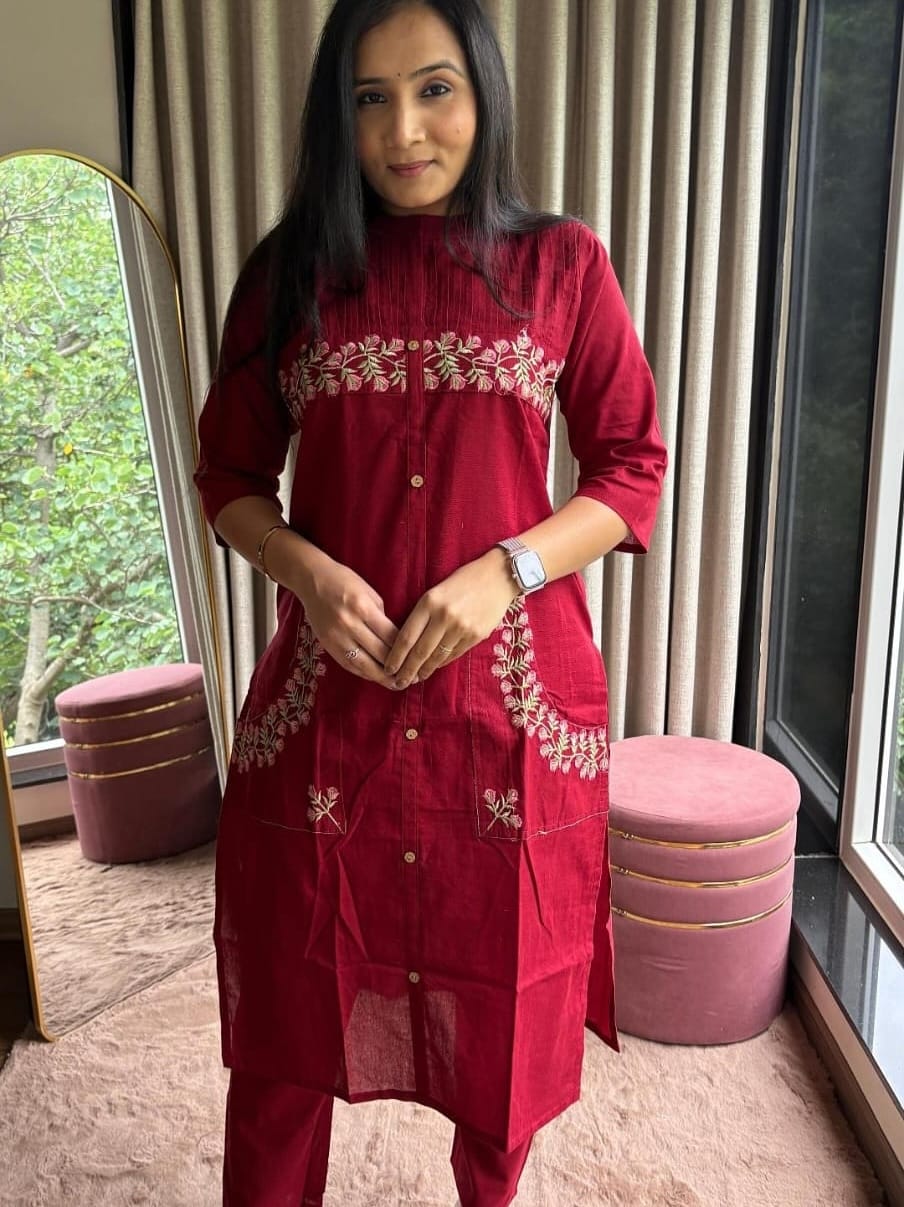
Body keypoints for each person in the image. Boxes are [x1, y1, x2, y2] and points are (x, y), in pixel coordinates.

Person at [194, 0, 668, 1203]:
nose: (404, 130)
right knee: (287, 1023)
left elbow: (631, 467)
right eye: (370, 97)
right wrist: (307, 571)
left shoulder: (562, 265)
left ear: (482, 94)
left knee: (502, 1028)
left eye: (434, 88)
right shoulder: (288, 275)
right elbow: (228, 477)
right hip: (327, 709)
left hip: (505, 719)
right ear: (336, 115)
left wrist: (507, 569)